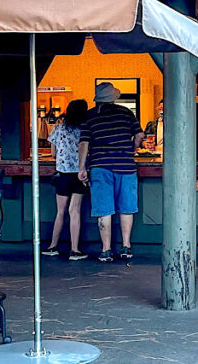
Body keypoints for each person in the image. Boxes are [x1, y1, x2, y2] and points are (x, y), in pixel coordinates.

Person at [78, 82, 143, 262]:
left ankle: (106, 250)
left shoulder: (90, 116)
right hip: (126, 166)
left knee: (104, 210)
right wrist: (132, 149)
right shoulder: (126, 113)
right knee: (126, 208)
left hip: (100, 167)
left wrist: (81, 168)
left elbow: (84, 143)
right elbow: (139, 135)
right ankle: (126, 247)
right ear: (114, 98)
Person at [43, 99, 89, 260]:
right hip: (79, 174)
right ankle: (75, 250)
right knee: (74, 211)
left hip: (62, 174)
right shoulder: (85, 130)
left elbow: (53, 153)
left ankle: (52, 246)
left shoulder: (59, 128)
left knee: (60, 212)